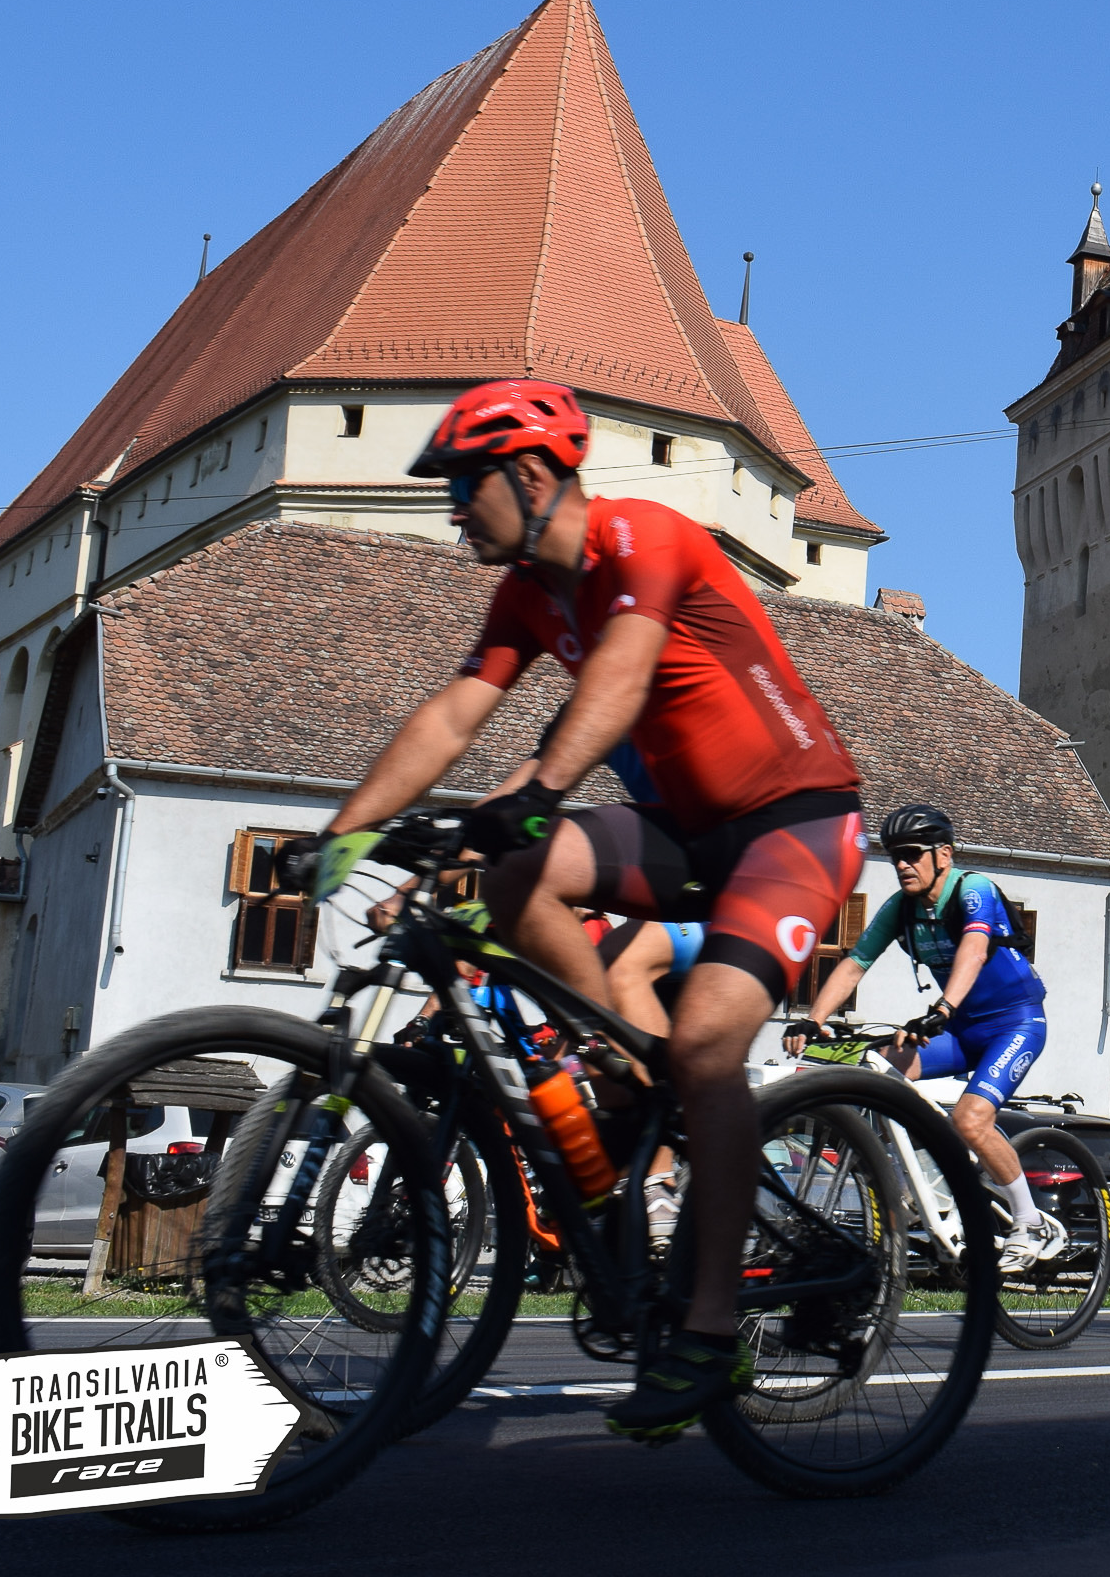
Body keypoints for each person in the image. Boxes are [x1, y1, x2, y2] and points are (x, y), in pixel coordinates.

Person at [284, 379, 865, 1443]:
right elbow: (454, 714)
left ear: (529, 474)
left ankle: (709, 1325)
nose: (452, 507)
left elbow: (624, 678)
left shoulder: (645, 536)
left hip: (795, 823)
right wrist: (349, 832)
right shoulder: (526, 595)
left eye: (463, 484)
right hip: (682, 830)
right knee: (514, 879)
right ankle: (618, 1061)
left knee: (704, 1045)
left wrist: (537, 793)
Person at [784, 804, 1061, 1269]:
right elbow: (854, 964)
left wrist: (942, 1008)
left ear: (943, 855)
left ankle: (1031, 1222)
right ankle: (915, 1181)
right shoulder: (901, 908)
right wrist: (813, 1019)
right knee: (875, 1073)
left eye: (912, 854)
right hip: (959, 1027)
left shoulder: (973, 890)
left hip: (1015, 1023)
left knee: (970, 1120)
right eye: (895, 856)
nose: (902, 864)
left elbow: (974, 950)